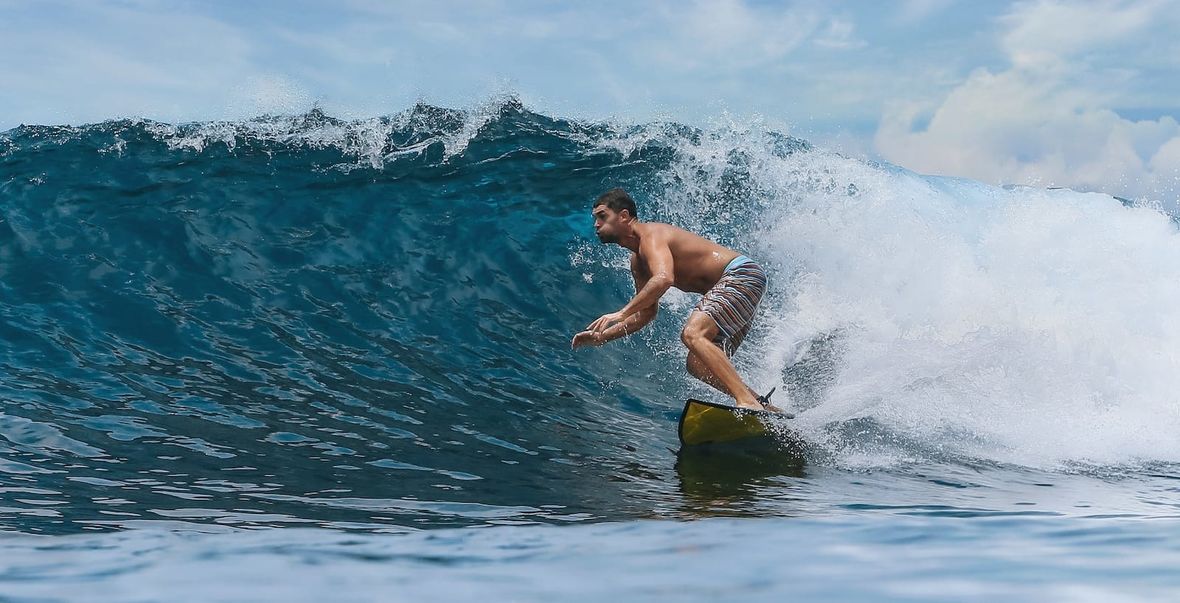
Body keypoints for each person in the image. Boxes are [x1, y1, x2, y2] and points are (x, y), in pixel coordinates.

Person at [571, 188, 780, 412]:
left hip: (741, 275)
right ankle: (760, 404)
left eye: (602, 217)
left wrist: (621, 313)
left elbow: (664, 278)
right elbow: (647, 313)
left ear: (623, 216)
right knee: (697, 364)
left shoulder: (651, 235)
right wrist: (602, 337)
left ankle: (746, 402)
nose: (596, 225)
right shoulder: (638, 262)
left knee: (692, 333)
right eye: (595, 219)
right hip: (742, 285)